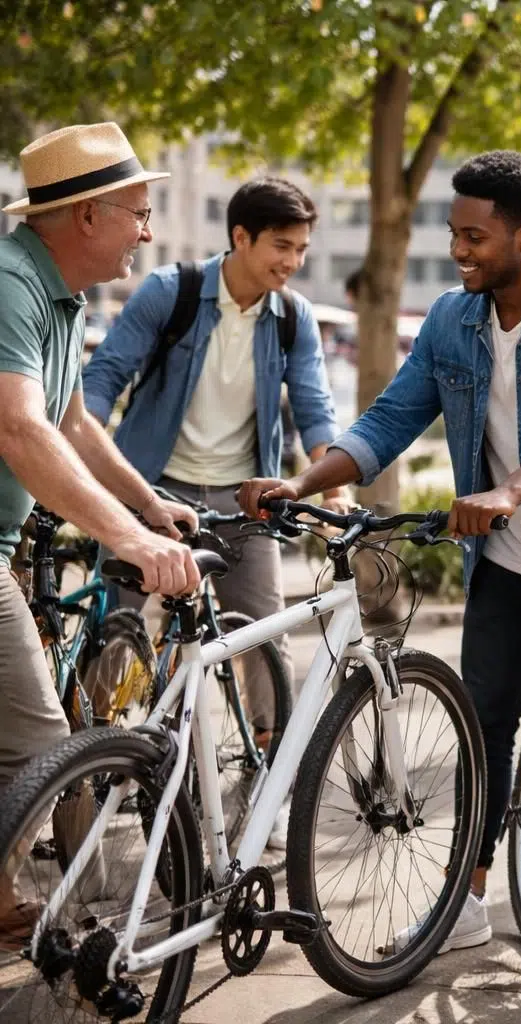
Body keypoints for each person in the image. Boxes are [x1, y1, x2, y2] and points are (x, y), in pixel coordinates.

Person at [238, 150, 521, 955]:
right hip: (502, 569)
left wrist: (508, 493)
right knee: (484, 729)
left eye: (474, 236)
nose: (459, 249)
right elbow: (389, 420)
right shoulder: (455, 322)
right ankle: (469, 897)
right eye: (454, 233)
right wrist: (304, 481)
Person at [83, 177, 345, 850]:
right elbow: (105, 376)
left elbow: (313, 405)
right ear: (240, 238)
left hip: (240, 498)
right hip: (154, 488)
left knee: (264, 637)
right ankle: (94, 770)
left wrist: (331, 480)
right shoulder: (169, 294)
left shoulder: (291, 318)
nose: (292, 262)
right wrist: (77, 456)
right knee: (118, 629)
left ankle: (269, 782)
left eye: (302, 249)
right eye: (281, 247)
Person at [0, 122, 202, 948]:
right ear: (86, 216)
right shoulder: (11, 283)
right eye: (138, 212)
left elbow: (74, 423)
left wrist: (149, 507)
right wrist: (131, 540)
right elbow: (19, 430)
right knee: (45, 742)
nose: (147, 232)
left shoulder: (56, 294)